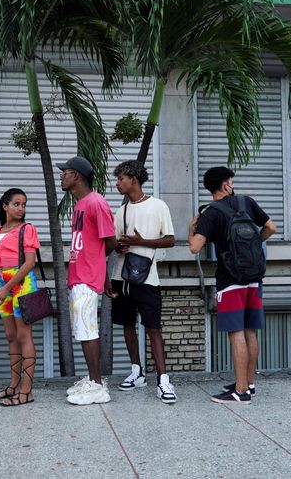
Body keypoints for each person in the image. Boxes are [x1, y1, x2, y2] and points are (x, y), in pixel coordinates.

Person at [188, 166, 276, 404]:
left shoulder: (210, 213)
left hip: (230, 279)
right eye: (231, 182)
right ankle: (248, 384)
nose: (233, 185)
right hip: (254, 277)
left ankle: (240, 391)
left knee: (235, 332)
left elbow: (195, 247)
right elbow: (271, 227)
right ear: (226, 185)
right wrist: (255, 244)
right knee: (250, 330)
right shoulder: (247, 202)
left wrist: (191, 229)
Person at [105, 161, 177, 404]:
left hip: (147, 278)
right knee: (127, 325)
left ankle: (164, 380)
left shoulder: (158, 206)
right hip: (120, 276)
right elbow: (112, 245)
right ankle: (137, 372)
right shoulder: (120, 211)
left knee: (153, 328)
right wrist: (120, 245)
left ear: (134, 179)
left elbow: (170, 240)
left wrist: (141, 242)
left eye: (121, 178)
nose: (117, 183)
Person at [58, 156, 117, 406]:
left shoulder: (96, 202)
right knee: (83, 331)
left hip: (88, 276)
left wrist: (99, 272)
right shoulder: (81, 204)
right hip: (80, 274)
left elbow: (111, 241)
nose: (62, 176)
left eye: (65, 172)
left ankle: (97, 386)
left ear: (77, 176)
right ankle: (94, 381)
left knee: (88, 330)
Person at [0, 188, 41, 407]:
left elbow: (29, 263)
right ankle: (14, 385)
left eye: (24, 204)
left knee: (24, 336)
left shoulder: (27, 229)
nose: (21, 208)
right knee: (11, 335)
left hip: (21, 284)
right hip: (2, 283)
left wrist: (6, 287)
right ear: (5, 206)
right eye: (16, 204)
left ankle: (27, 390)